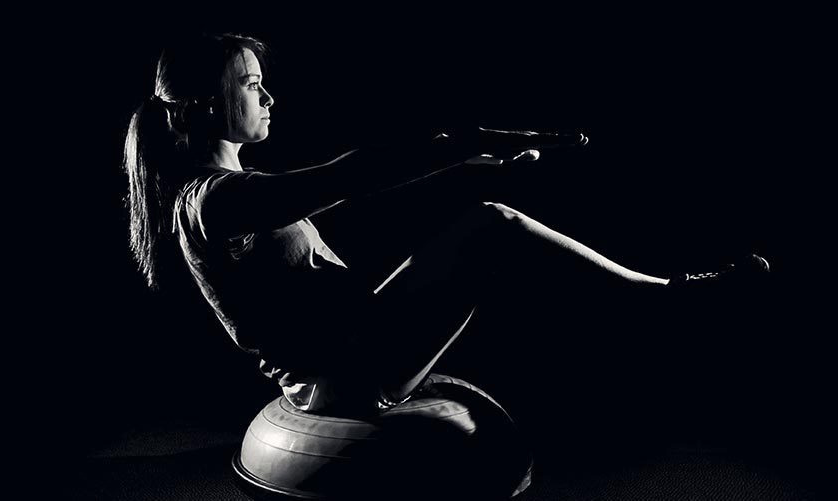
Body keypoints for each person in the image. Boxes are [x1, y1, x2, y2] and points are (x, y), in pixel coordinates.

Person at [123, 33, 769, 415]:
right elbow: (352, 174)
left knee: (484, 227)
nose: (269, 97)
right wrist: (467, 142)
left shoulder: (232, 193)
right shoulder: (212, 200)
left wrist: (461, 157)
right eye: (252, 84)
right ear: (209, 104)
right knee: (491, 223)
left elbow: (350, 189)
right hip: (340, 379)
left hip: (352, 352)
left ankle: (648, 311)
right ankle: (661, 299)